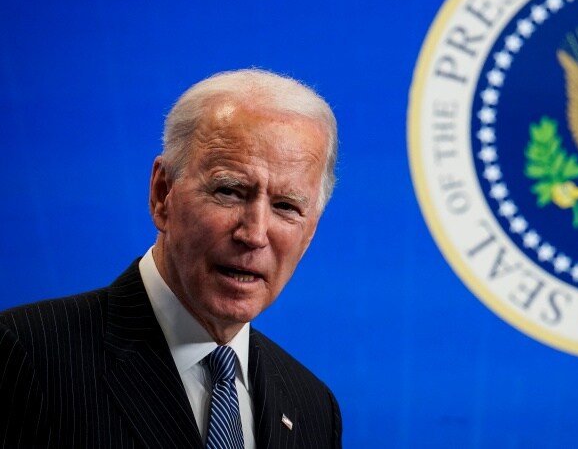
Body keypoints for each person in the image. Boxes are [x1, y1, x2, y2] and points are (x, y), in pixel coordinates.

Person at [0, 69, 342, 448]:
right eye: (229, 191)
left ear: (309, 233)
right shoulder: (26, 354)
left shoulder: (313, 408)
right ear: (163, 194)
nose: (254, 234)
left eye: (285, 206)